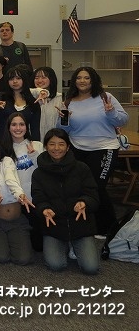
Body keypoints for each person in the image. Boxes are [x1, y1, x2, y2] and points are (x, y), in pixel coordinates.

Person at [59, 66, 128, 236]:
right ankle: (87, 225)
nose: (82, 81)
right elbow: (63, 131)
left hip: (104, 148)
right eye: (79, 78)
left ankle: (108, 228)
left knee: (96, 188)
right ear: (74, 81)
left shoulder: (106, 97)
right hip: (77, 148)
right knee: (80, 188)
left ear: (93, 80)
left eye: (86, 77)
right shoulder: (69, 101)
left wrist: (111, 112)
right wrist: (63, 119)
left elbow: (123, 120)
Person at [32, 128, 100, 275]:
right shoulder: (38, 173)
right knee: (56, 265)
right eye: (52, 144)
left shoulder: (82, 168)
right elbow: (38, 199)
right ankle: (66, 245)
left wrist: (84, 203)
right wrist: (44, 209)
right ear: (46, 146)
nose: (56, 148)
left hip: (80, 225)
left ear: (68, 147)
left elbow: (93, 196)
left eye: (61, 144)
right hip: (54, 226)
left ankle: (74, 244)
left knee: (91, 268)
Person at [0, 136, 34, 265]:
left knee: (23, 259)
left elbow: (10, 179)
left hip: (16, 220)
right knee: (1, 257)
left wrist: (20, 194)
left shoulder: (7, 161)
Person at [2, 112, 44, 251]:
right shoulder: (4, 150)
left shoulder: (37, 145)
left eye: (21, 124)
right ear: (8, 127)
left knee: (38, 246)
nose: (18, 128)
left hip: (37, 199)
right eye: (14, 124)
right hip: (17, 201)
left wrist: (34, 155)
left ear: (27, 127)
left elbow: (45, 170)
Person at [0, 66, 40, 141]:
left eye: (18, 78)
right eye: (11, 79)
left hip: (23, 142)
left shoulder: (33, 102)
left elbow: (35, 129)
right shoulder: (1, 97)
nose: (15, 81)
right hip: (1, 141)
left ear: (24, 80)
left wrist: (36, 145)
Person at [31, 66, 63, 140]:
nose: (39, 81)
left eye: (44, 77)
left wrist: (65, 116)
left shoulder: (59, 98)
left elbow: (63, 124)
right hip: (33, 141)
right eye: (36, 78)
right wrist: (40, 91)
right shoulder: (30, 96)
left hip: (52, 140)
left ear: (51, 79)